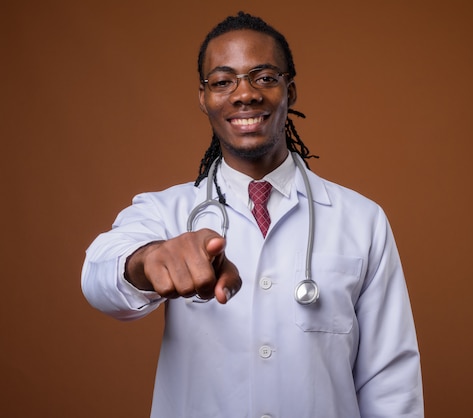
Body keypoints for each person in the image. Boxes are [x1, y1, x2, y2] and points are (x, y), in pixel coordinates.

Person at [82, 11, 424, 418]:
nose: (245, 94)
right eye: (223, 81)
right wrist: (150, 259)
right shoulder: (166, 211)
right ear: (204, 98)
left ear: (290, 91)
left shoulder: (362, 220)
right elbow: (98, 278)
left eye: (263, 77)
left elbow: (390, 383)